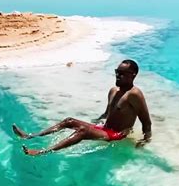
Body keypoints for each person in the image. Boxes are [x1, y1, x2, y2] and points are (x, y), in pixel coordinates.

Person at [12, 59, 152, 156]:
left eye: (122, 74)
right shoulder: (113, 90)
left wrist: (145, 140)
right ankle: (30, 136)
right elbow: (108, 112)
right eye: (117, 72)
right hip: (105, 129)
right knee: (69, 121)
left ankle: (42, 152)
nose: (118, 76)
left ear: (133, 75)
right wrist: (98, 120)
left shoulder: (134, 94)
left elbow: (146, 121)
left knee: (83, 131)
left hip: (116, 135)